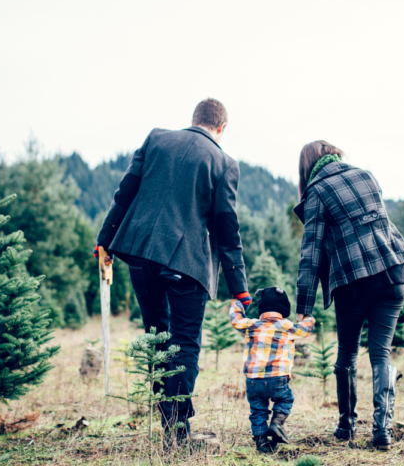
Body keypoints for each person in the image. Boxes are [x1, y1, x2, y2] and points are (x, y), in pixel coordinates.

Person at [94, 98, 252, 443]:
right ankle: (177, 432)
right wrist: (239, 288)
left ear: (194, 119)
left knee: (156, 334)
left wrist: (103, 242)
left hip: (140, 252)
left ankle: (168, 424)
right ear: (221, 128)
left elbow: (125, 194)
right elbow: (227, 228)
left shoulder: (156, 139)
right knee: (184, 342)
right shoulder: (224, 162)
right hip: (188, 263)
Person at [293, 140, 404, 450]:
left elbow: (311, 252)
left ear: (307, 167)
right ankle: (382, 430)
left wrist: (303, 307)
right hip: (392, 274)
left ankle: (347, 426)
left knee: (347, 351)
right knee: (381, 353)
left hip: (353, 281)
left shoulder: (316, 191)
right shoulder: (366, 175)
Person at [229, 287, 315, 453]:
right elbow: (306, 328)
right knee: (285, 400)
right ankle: (276, 424)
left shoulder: (251, 325)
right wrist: (307, 315)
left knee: (257, 409)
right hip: (278, 377)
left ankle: (261, 441)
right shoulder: (287, 327)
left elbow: (236, 319)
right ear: (284, 310)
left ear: (261, 310)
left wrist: (237, 301)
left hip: (253, 378)